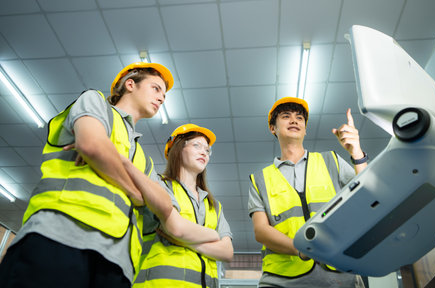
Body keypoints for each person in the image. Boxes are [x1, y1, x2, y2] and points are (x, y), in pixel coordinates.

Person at [0, 62, 219, 288]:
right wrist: (139, 192)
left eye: (164, 94)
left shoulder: (144, 159)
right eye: (156, 88)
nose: (162, 98)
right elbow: (92, 145)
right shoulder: (95, 102)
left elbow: (164, 206)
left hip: (116, 264)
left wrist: (118, 161)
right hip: (59, 238)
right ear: (130, 84)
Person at [248, 97, 368, 288]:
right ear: (273, 128)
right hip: (281, 279)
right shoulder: (260, 179)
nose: (294, 120)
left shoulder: (332, 161)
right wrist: (301, 249)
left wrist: (356, 152)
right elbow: (261, 231)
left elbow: (367, 195)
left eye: (300, 118)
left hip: (340, 273)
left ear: (305, 129)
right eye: (286, 116)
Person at [132, 124, 234, 288]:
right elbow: (177, 229)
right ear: (178, 149)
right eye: (196, 145)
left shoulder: (213, 205)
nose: (204, 152)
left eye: (207, 150)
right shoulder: (159, 185)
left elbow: (227, 252)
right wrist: (213, 235)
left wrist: (187, 242)